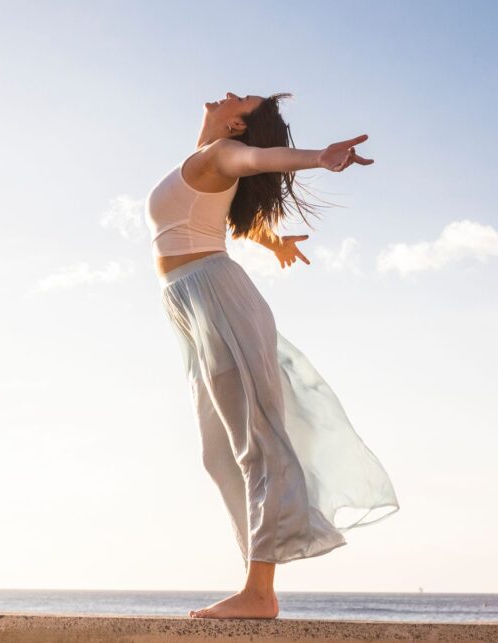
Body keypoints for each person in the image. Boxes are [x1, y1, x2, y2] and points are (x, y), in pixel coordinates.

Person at [144, 92, 399, 620]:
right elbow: (221, 213)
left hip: (214, 293)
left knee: (257, 436)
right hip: (191, 303)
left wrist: (320, 158)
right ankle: (253, 582)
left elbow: (262, 159)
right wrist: (273, 241)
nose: (230, 94)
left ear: (237, 123)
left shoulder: (223, 153)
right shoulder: (205, 162)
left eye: (242, 99)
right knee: (218, 451)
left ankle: (260, 592)